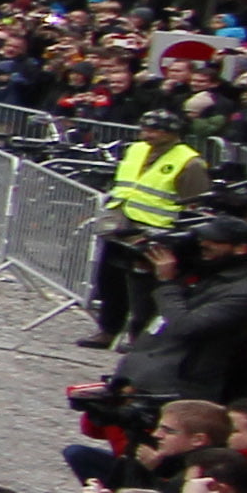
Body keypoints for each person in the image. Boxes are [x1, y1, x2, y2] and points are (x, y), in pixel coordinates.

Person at [89, 110, 206, 344]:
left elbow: (195, 202)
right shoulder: (136, 149)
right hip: (120, 223)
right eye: (144, 129)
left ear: (172, 133)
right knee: (110, 281)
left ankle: (138, 338)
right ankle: (108, 330)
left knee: (143, 290)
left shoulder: (190, 162)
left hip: (153, 231)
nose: (147, 134)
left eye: (154, 130)